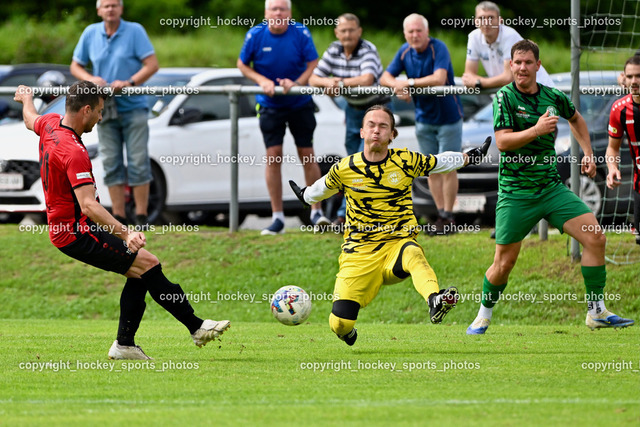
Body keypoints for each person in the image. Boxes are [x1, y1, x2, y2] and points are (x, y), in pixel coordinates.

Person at [14, 81, 230, 359]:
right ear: (86, 110)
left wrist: (26, 99)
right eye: (99, 111)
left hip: (71, 229)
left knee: (140, 271)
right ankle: (196, 328)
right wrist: (126, 234)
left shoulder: (50, 124)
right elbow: (88, 205)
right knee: (148, 263)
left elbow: (30, 119)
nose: (101, 117)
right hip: (75, 232)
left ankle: (126, 344)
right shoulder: (73, 152)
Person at [466, 40, 634, 335]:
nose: (522, 68)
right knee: (504, 263)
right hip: (517, 193)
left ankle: (596, 312)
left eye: (528, 63)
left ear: (538, 65)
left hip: (551, 189)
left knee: (596, 238)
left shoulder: (552, 96)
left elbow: (576, 119)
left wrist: (588, 154)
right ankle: (483, 315)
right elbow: (502, 142)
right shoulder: (504, 97)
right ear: (511, 65)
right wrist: (536, 130)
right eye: (517, 63)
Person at [290, 105, 491, 346]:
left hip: (397, 246)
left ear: (392, 134)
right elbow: (319, 189)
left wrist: (468, 157)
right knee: (340, 324)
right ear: (362, 132)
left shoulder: (405, 160)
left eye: (383, 126)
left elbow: (439, 162)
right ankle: (347, 332)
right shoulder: (345, 168)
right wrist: (305, 196)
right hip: (358, 255)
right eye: (371, 125)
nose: (376, 130)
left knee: (413, 253)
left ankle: (435, 300)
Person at [237, 0, 329, 235]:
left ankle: (316, 212)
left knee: (307, 153)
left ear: (289, 13)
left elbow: (313, 63)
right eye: (274, 9)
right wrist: (262, 81)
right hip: (270, 105)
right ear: (266, 13)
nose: (278, 13)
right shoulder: (255, 34)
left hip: (299, 102)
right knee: (273, 155)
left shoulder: (300, 32)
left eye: (282, 9)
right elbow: (242, 64)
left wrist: (297, 83)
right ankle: (277, 217)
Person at [70, 0, 159, 227]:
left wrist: (129, 82)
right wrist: (90, 79)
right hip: (104, 108)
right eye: (106, 5)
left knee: (138, 162)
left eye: (114, 5)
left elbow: (152, 65)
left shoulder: (135, 30)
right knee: (111, 162)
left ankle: (141, 217)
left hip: (134, 107)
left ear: (121, 8)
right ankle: (119, 217)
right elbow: (75, 66)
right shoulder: (91, 33)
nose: (110, 9)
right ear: (99, 10)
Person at [380, 13, 464, 234]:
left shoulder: (439, 48)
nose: (415, 35)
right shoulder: (404, 51)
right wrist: (397, 86)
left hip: (449, 117)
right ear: (405, 33)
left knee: (449, 167)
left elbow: (439, 78)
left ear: (427, 32)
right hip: (423, 118)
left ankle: (449, 216)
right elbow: (384, 77)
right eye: (411, 31)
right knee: (431, 168)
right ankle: (440, 216)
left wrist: (407, 83)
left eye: (419, 30)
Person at [309, 13, 387, 226]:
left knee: (365, 161)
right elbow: (313, 78)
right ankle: (353, 214)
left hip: (375, 109)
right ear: (337, 33)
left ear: (359, 31)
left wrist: (339, 83)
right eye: (343, 31)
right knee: (354, 161)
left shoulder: (368, 49)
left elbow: (367, 78)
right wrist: (327, 83)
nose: (347, 34)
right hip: (353, 110)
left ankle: (348, 215)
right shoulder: (333, 49)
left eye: (351, 30)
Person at [461, 1, 554, 90]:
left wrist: (479, 83)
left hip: (540, 90)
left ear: (500, 20)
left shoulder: (509, 35)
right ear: (476, 21)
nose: (486, 22)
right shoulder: (473, 37)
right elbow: (468, 76)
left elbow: (509, 77)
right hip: (510, 92)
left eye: (490, 17)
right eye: (481, 18)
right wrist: (481, 82)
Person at [607, 55, 640, 246]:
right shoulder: (619, 109)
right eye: (630, 76)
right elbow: (612, 148)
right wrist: (612, 168)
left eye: (639, 76)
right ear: (624, 78)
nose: (634, 81)